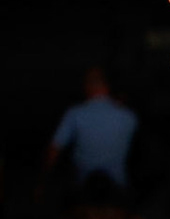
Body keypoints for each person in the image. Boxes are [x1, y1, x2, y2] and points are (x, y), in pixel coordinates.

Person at [46, 67, 139, 196]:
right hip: (117, 188)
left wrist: (43, 180)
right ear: (107, 86)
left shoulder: (75, 114)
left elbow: (54, 150)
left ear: (87, 86)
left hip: (83, 188)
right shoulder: (129, 117)